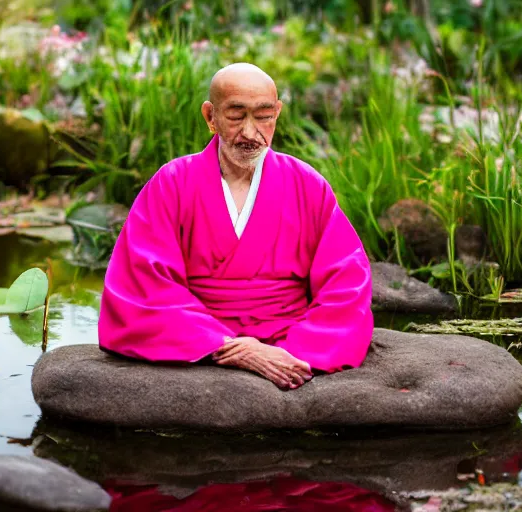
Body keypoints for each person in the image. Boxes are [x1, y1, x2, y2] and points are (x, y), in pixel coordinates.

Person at [97, 63, 374, 390]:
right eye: (235, 115)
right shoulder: (172, 184)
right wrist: (228, 347)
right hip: (197, 335)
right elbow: (142, 286)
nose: (249, 132)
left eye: (263, 116)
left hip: (289, 337)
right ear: (210, 117)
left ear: (278, 113)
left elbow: (346, 282)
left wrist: (289, 354)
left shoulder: (307, 185)